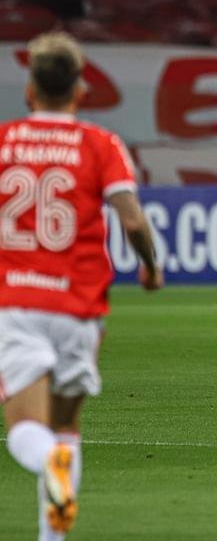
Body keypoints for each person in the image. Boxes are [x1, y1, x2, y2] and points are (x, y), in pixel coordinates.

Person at [0, 32, 163, 538]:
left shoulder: (4, 140)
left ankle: (47, 459)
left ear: (30, 91)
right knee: (67, 428)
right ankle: (54, 534)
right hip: (78, 306)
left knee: (27, 430)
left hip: (16, 300)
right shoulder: (99, 144)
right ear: (80, 91)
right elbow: (132, 221)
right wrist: (151, 267)